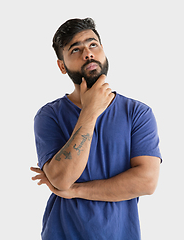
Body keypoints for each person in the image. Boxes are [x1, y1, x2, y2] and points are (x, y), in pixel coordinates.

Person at [30, 17, 162, 240]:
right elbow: (61, 180)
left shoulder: (137, 113)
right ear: (62, 66)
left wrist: (76, 191)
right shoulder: (49, 116)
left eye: (93, 45)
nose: (88, 53)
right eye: (76, 50)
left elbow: (147, 182)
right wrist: (90, 112)